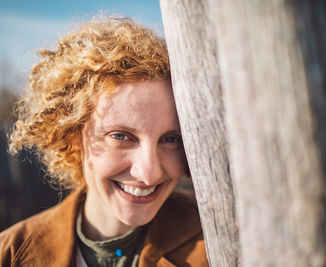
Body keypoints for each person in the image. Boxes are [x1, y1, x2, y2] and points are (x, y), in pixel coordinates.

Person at [0, 16, 208, 266]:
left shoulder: (226, 237)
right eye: (121, 136)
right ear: (73, 134)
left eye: (170, 139)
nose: (149, 173)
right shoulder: (9, 254)